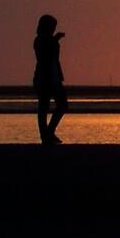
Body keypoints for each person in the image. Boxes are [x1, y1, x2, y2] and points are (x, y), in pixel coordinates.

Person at [33, 14, 68, 145]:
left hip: (54, 77)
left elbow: (55, 58)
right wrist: (55, 40)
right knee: (44, 106)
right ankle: (45, 135)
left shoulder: (50, 40)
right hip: (43, 79)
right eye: (52, 27)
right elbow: (44, 57)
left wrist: (55, 40)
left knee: (62, 104)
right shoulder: (39, 40)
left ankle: (49, 132)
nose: (53, 29)